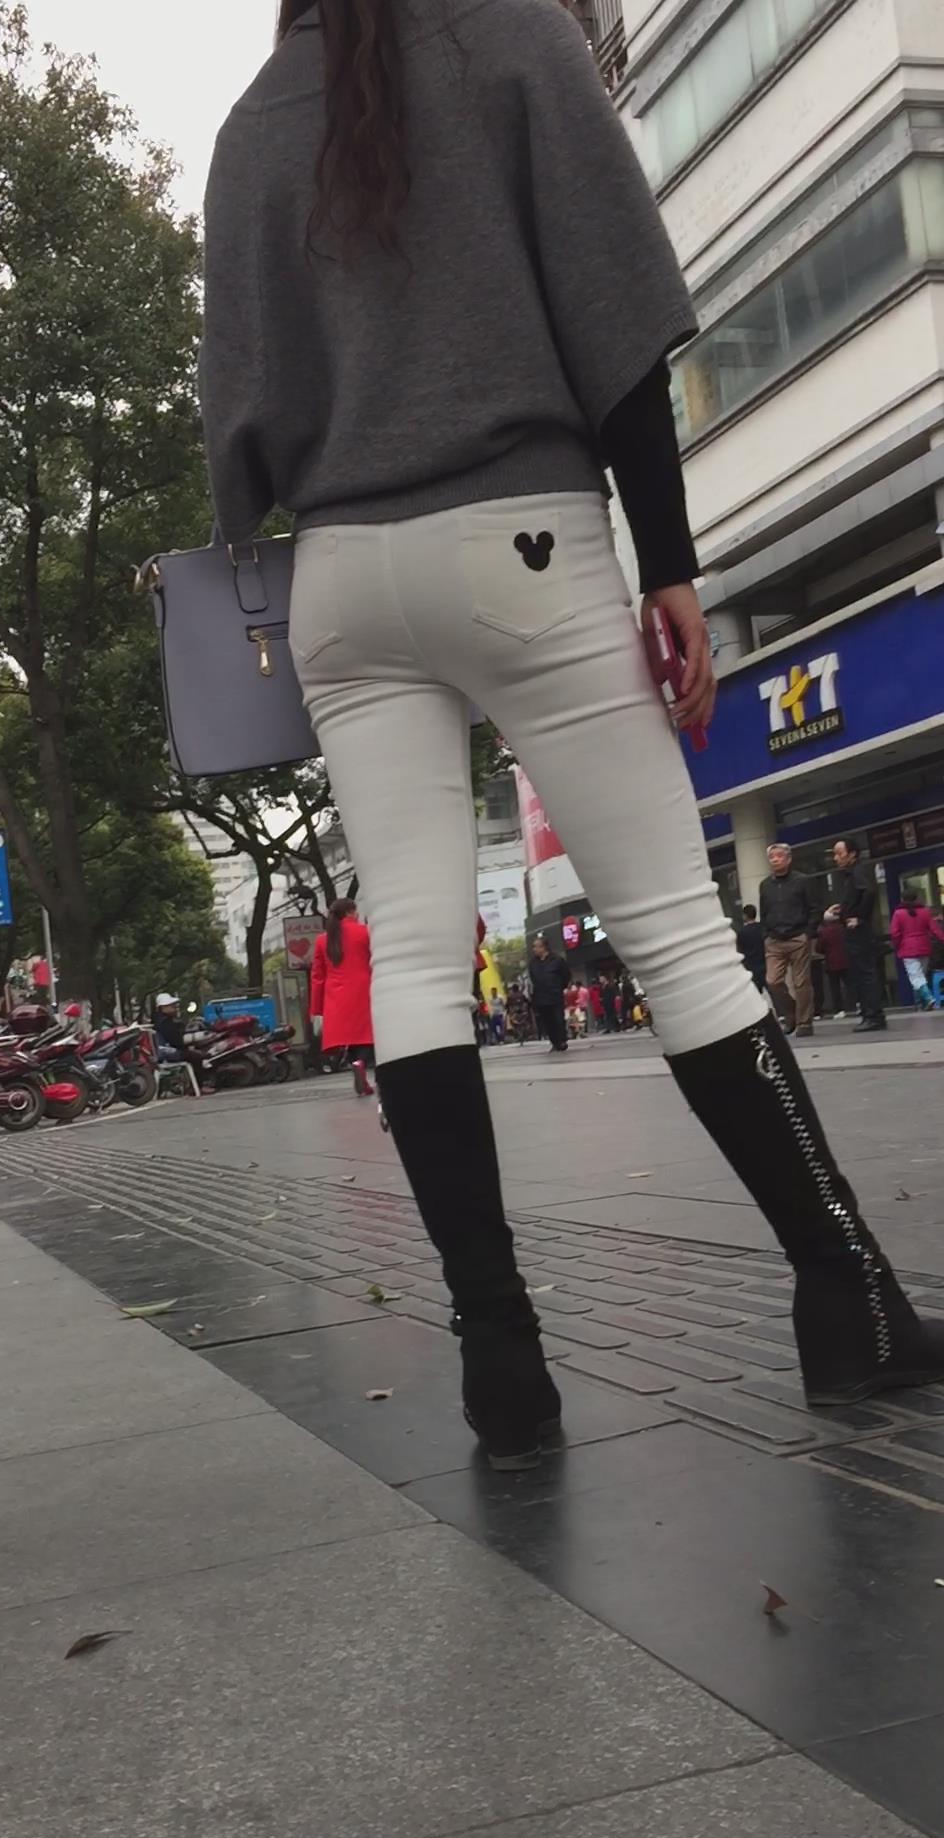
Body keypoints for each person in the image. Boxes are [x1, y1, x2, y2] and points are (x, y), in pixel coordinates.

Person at [202, 0, 944, 1464]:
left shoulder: (250, 126)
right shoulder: (517, 41)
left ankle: (503, 1366)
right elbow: (616, 326)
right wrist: (669, 563)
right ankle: (847, 1298)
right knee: (677, 933)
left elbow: (242, 420)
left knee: (417, 966)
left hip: (341, 573)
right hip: (525, 534)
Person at [311, 899, 376, 1096]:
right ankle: (361, 1063)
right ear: (349, 912)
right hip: (363, 989)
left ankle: (357, 1066)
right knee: (367, 1036)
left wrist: (316, 1009)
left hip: (335, 995)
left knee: (351, 1038)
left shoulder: (323, 940)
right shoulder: (365, 932)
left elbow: (317, 976)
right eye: (356, 911)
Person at [828, 840, 886, 1032]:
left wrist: (859, 917)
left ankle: (873, 1016)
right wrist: (843, 909)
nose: (836, 858)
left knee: (865, 973)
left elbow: (869, 892)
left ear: (852, 854)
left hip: (859, 931)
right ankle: (870, 1014)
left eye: (839, 853)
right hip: (854, 929)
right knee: (861, 973)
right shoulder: (851, 874)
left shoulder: (858, 872)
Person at [758, 843, 816, 1037]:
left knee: (801, 982)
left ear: (789, 859)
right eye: (771, 857)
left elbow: (813, 907)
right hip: (774, 939)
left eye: (779, 856)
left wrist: (808, 932)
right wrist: (766, 934)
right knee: (772, 981)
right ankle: (791, 1014)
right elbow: (764, 911)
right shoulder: (765, 885)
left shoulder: (802, 881)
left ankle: (804, 1022)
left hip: (798, 936)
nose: (775, 860)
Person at [890, 887, 937, 1011]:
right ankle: (921, 1004)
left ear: (902, 899)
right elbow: (934, 929)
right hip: (924, 946)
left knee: (915, 977)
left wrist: (896, 945)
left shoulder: (898, 914)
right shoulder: (925, 912)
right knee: (921, 975)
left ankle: (928, 997)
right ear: (916, 898)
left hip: (907, 948)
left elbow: (895, 933)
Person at [528, 934, 571, 1052]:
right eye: (533, 947)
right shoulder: (533, 963)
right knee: (547, 1021)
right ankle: (554, 1042)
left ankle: (562, 1040)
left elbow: (566, 975)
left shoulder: (557, 960)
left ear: (543, 947)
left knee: (558, 1018)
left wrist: (560, 986)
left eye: (536, 947)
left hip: (555, 994)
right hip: (541, 997)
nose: (534, 949)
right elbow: (533, 978)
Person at [815, 915, 854, 1019]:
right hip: (846, 960)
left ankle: (840, 1009)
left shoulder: (824, 932)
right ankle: (856, 1004)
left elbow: (818, 948)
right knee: (851, 984)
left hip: (832, 962)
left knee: (835, 988)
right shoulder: (844, 929)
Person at [735, 905, 766, 994]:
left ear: (745, 915)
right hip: (765, 963)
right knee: (773, 992)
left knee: (756, 993)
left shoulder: (742, 932)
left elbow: (740, 951)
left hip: (751, 966)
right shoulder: (762, 927)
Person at [153, 992, 187, 1060]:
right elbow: (176, 1041)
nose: (174, 1007)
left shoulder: (159, 1020)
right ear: (163, 1007)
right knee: (197, 1055)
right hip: (171, 1052)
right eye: (170, 1005)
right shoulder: (165, 1022)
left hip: (167, 1051)